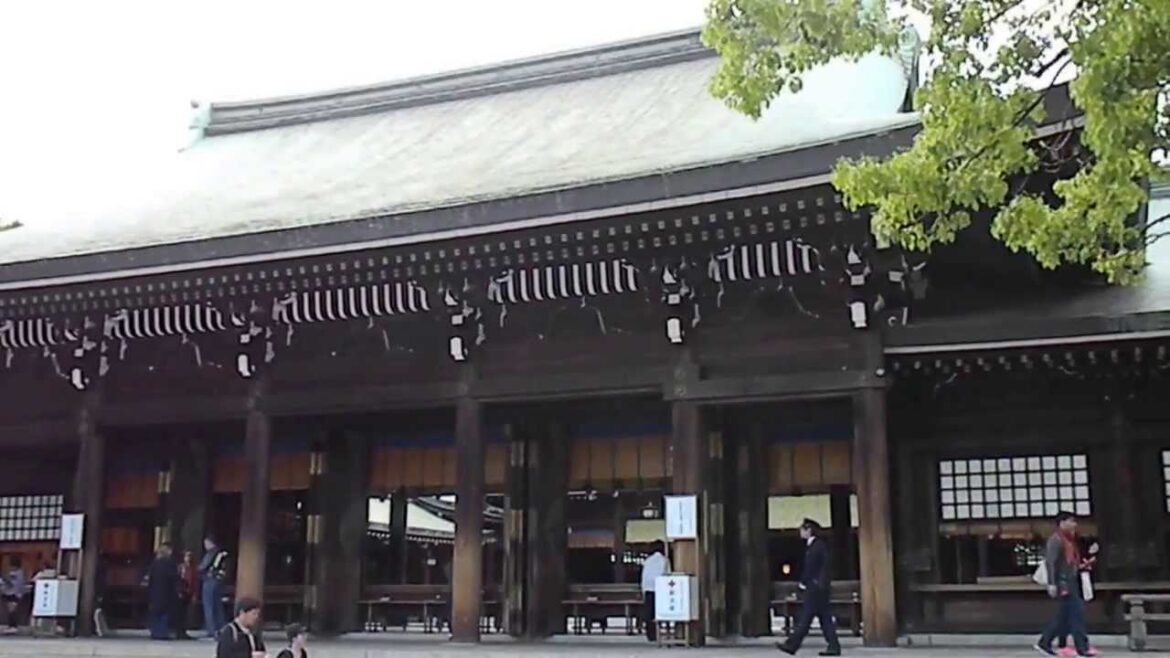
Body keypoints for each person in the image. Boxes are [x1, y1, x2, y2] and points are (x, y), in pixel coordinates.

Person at [1035, 512, 1098, 657]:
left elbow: (1072, 562)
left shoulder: (1069, 540)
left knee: (1064, 618)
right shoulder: (1056, 540)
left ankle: (1046, 642)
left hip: (1071, 581)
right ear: (1062, 523)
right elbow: (1051, 563)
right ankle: (1082, 647)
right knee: (1076, 615)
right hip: (1063, 583)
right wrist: (1052, 583)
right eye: (1071, 521)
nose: (1074, 524)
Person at [777, 519, 841, 657]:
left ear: (809, 530)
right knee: (825, 619)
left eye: (802, 529)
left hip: (815, 588)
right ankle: (834, 646)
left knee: (806, 619)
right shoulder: (816, 546)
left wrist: (805, 582)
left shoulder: (817, 547)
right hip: (818, 587)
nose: (800, 532)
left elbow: (814, 568)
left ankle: (791, 645)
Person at [145, 543, 179, 640]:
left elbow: (150, 578)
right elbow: (173, 577)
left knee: (156, 613)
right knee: (164, 613)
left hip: (155, 591)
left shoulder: (155, 563)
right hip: (166, 591)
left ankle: (155, 632)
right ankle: (162, 633)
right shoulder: (169, 563)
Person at [640, 540, 670, 642]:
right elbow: (667, 575)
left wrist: (643, 590)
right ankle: (661, 630)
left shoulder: (648, 560)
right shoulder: (664, 560)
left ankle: (650, 634)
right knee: (659, 612)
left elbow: (644, 577)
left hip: (648, 588)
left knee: (649, 613)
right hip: (660, 589)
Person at [199, 537, 230, 637]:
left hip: (210, 579)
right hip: (218, 581)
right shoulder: (223, 554)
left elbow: (203, 567)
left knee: (209, 606)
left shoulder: (211, 553)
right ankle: (221, 627)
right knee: (217, 606)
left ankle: (211, 629)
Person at [174, 550, 198, 639]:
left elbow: (195, 582)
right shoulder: (181, 567)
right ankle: (178, 632)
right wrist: (179, 591)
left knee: (185, 613)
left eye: (189, 556)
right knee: (180, 613)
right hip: (182, 592)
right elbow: (178, 580)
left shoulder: (193, 568)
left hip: (189, 592)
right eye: (187, 556)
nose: (188, 558)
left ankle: (183, 631)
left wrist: (194, 594)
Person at [2, 560, 28, 630]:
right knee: (11, 609)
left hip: (14, 594)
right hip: (13, 593)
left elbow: (11, 583)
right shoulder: (19, 573)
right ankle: (12, 625)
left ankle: (13, 625)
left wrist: (5, 579)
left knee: (12, 610)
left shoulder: (17, 574)